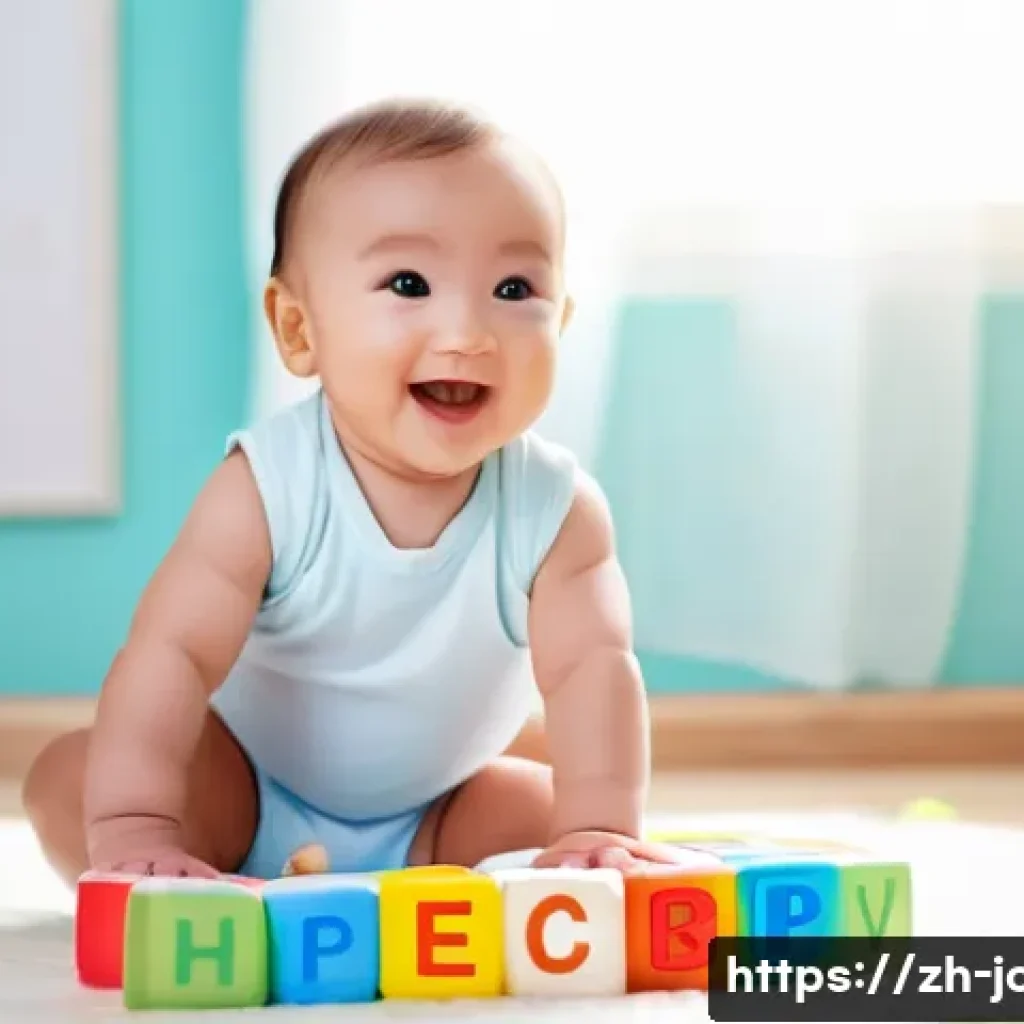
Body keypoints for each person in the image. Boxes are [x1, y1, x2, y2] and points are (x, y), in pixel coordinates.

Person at [23, 98, 677, 884]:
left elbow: (591, 672)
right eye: (409, 282)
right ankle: (184, 863)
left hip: (441, 808)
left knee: (554, 819)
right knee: (68, 780)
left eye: (513, 289)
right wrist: (135, 823)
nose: (468, 331)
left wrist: (598, 825)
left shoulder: (557, 510)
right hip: (243, 792)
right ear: (300, 331)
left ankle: (455, 867)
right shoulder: (267, 488)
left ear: (561, 322)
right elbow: (173, 655)